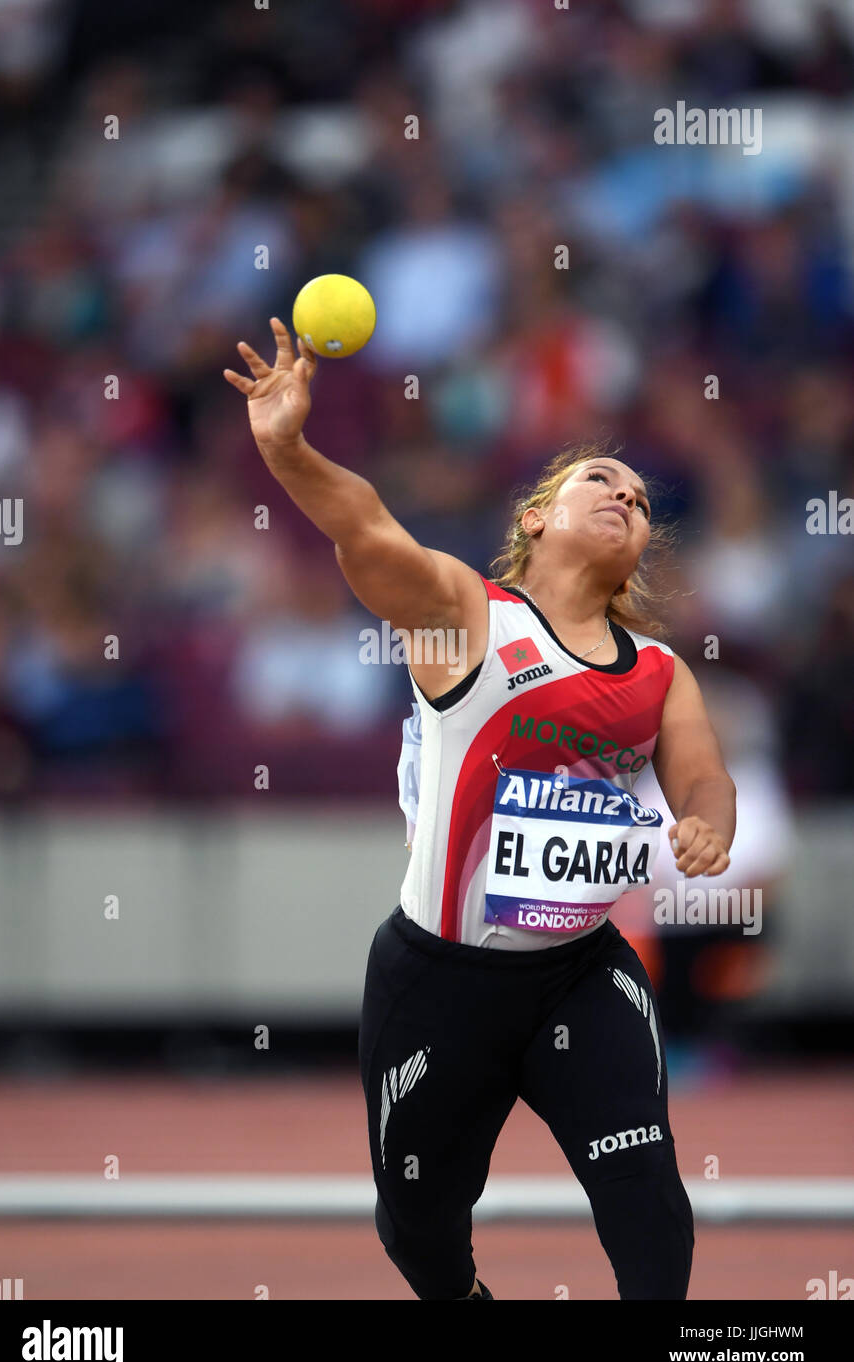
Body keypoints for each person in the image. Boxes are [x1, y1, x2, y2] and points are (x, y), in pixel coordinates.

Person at [225, 320, 736, 1301]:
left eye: (636, 496)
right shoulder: (467, 616)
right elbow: (365, 529)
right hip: (438, 981)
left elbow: (703, 775)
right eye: (599, 480)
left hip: (581, 975)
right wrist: (287, 447)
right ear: (537, 517)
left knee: (647, 1196)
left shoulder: (659, 673)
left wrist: (709, 821)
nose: (624, 495)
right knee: (417, 1224)